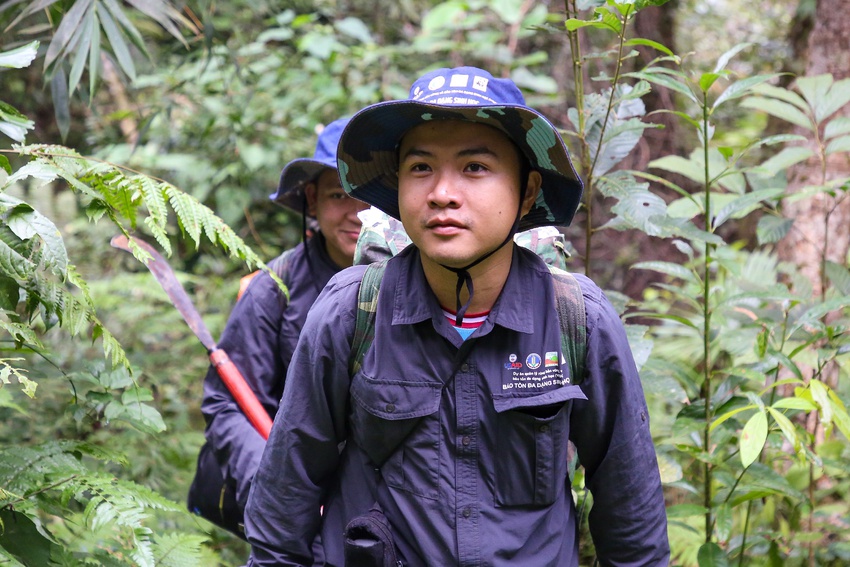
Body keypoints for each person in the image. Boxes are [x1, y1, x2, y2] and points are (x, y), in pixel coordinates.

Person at [244, 67, 670, 566]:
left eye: (474, 168)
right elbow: (282, 512)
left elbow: (631, 515)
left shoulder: (578, 319)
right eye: (421, 167)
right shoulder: (350, 312)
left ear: (528, 191)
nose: (442, 192)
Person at [188, 117, 368, 537]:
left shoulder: (420, 278)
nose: (357, 214)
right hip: (295, 499)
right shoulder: (275, 288)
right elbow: (228, 404)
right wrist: (272, 491)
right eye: (339, 195)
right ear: (312, 199)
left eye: (367, 197)